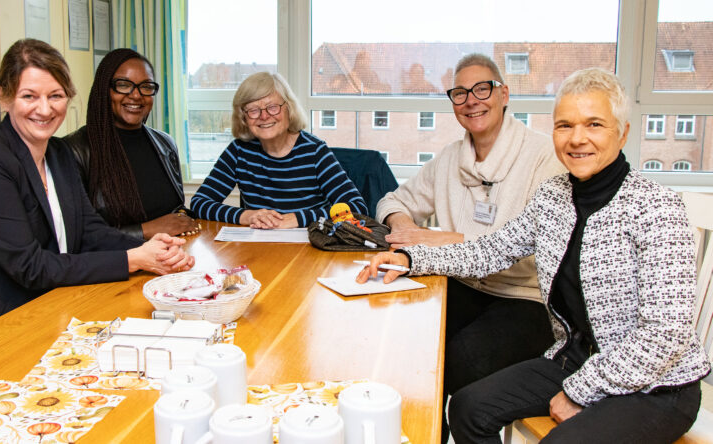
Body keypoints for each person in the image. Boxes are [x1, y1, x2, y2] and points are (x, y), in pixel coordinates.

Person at [359, 68, 711, 443]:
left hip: (656, 386)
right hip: (575, 360)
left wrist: (580, 391)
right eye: (564, 126)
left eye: (594, 125)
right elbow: (492, 250)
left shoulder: (657, 207)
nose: (577, 139)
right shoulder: (553, 196)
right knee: (467, 408)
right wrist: (412, 259)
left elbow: (665, 335)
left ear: (622, 132)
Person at [0, 39, 194, 342]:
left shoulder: (58, 153)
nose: (45, 109)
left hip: (46, 310)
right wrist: (135, 258)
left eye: (56, 96)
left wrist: (155, 248)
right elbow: (30, 266)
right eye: (29, 96)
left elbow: (90, 231)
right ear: (4, 95)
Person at [375, 53, 564, 440]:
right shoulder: (449, 159)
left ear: (505, 94)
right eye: (459, 93)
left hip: (527, 300)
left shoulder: (545, 157)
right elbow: (390, 202)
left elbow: (530, 249)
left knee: (451, 363)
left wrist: (440, 239)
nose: (471, 100)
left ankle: (427, 432)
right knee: (399, 341)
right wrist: (406, 226)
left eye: (482, 88)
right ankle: (422, 433)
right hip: (462, 285)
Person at [190, 72, 367, 229]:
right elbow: (199, 203)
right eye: (253, 110)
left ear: (288, 108)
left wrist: (296, 219)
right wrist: (247, 215)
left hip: (309, 248)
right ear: (243, 117)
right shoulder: (238, 151)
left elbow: (356, 207)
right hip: (259, 248)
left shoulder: (314, 151)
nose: (264, 116)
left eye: (272, 107)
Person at [63, 48, 198, 239]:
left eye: (146, 86)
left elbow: (175, 209)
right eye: (124, 85)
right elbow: (76, 236)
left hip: (172, 259)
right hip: (117, 265)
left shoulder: (165, 144)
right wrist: (146, 230)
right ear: (105, 89)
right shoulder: (73, 150)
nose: (136, 95)